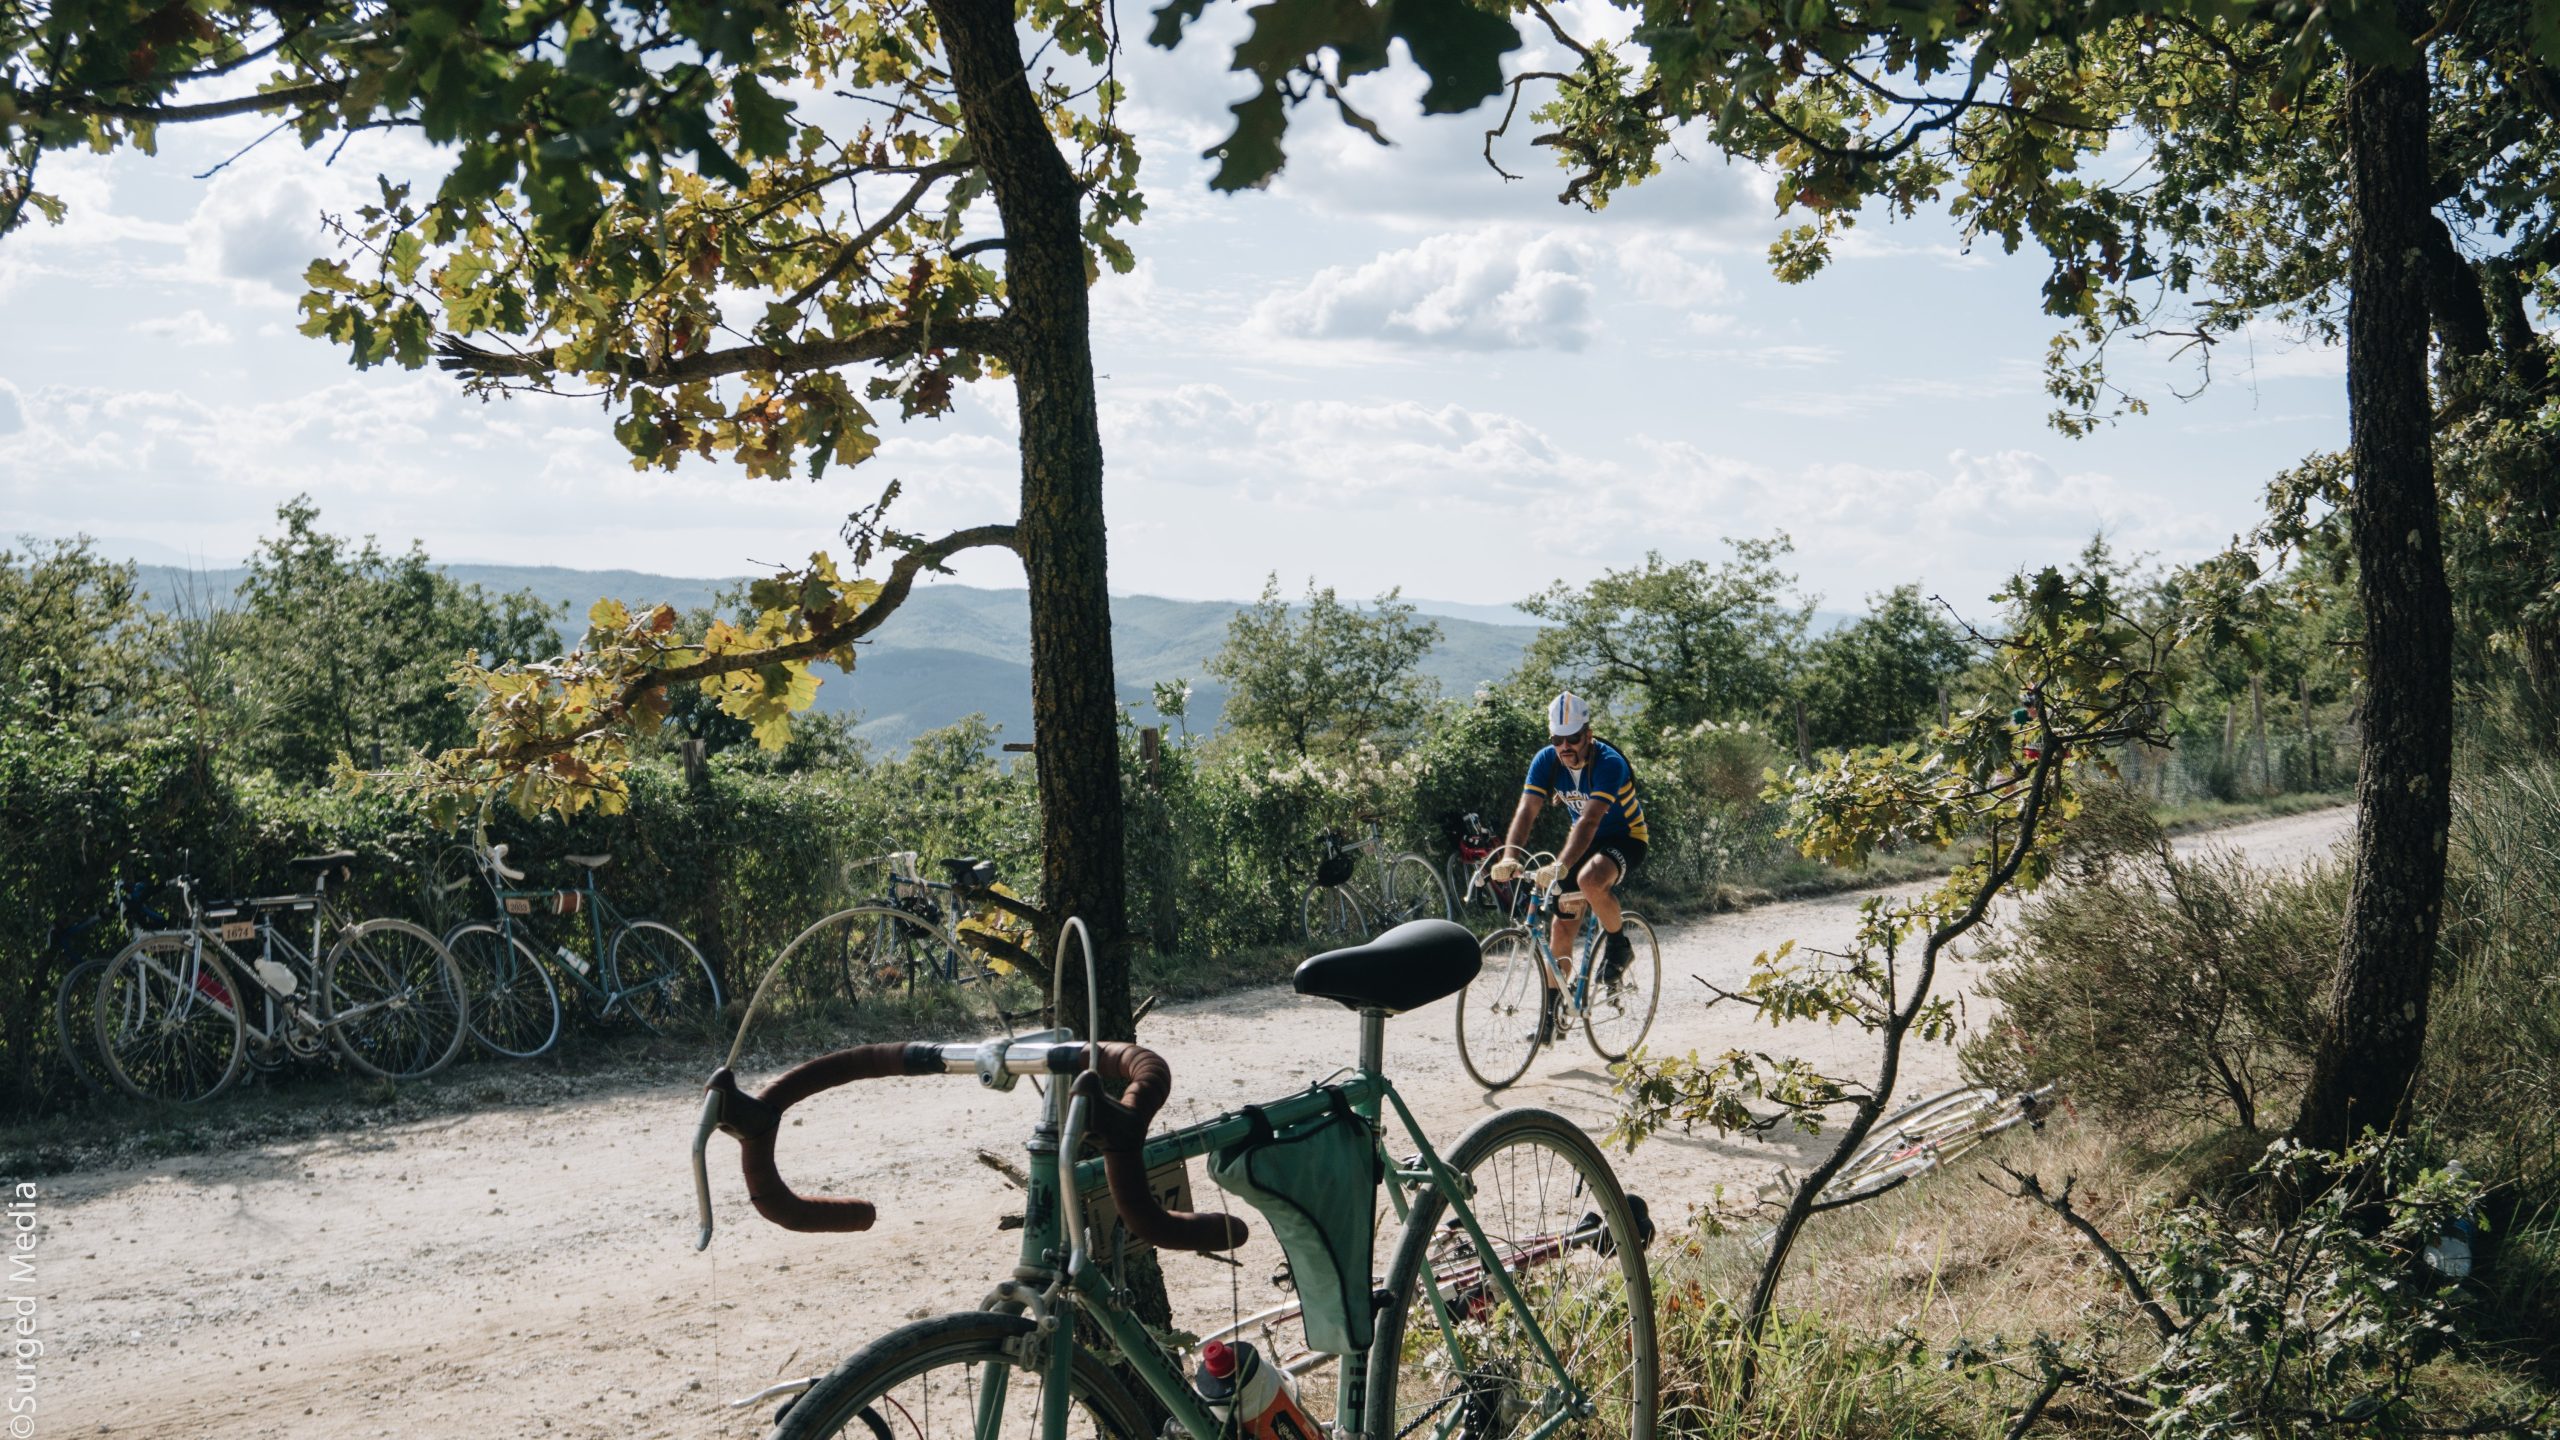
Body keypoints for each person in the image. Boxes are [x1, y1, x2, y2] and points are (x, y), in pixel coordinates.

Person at [1490, 692, 1648, 1038]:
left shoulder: (1608, 763)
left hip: (1625, 838)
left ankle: (1619, 944)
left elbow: (1590, 820)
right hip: (1584, 844)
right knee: (1560, 928)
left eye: (1573, 738)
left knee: (1591, 880)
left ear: (1588, 735)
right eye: (1557, 739)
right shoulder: (1547, 761)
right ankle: (1553, 1016)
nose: (1565, 747)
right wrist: (1510, 854)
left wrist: (1561, 866)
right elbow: (1527, 809)